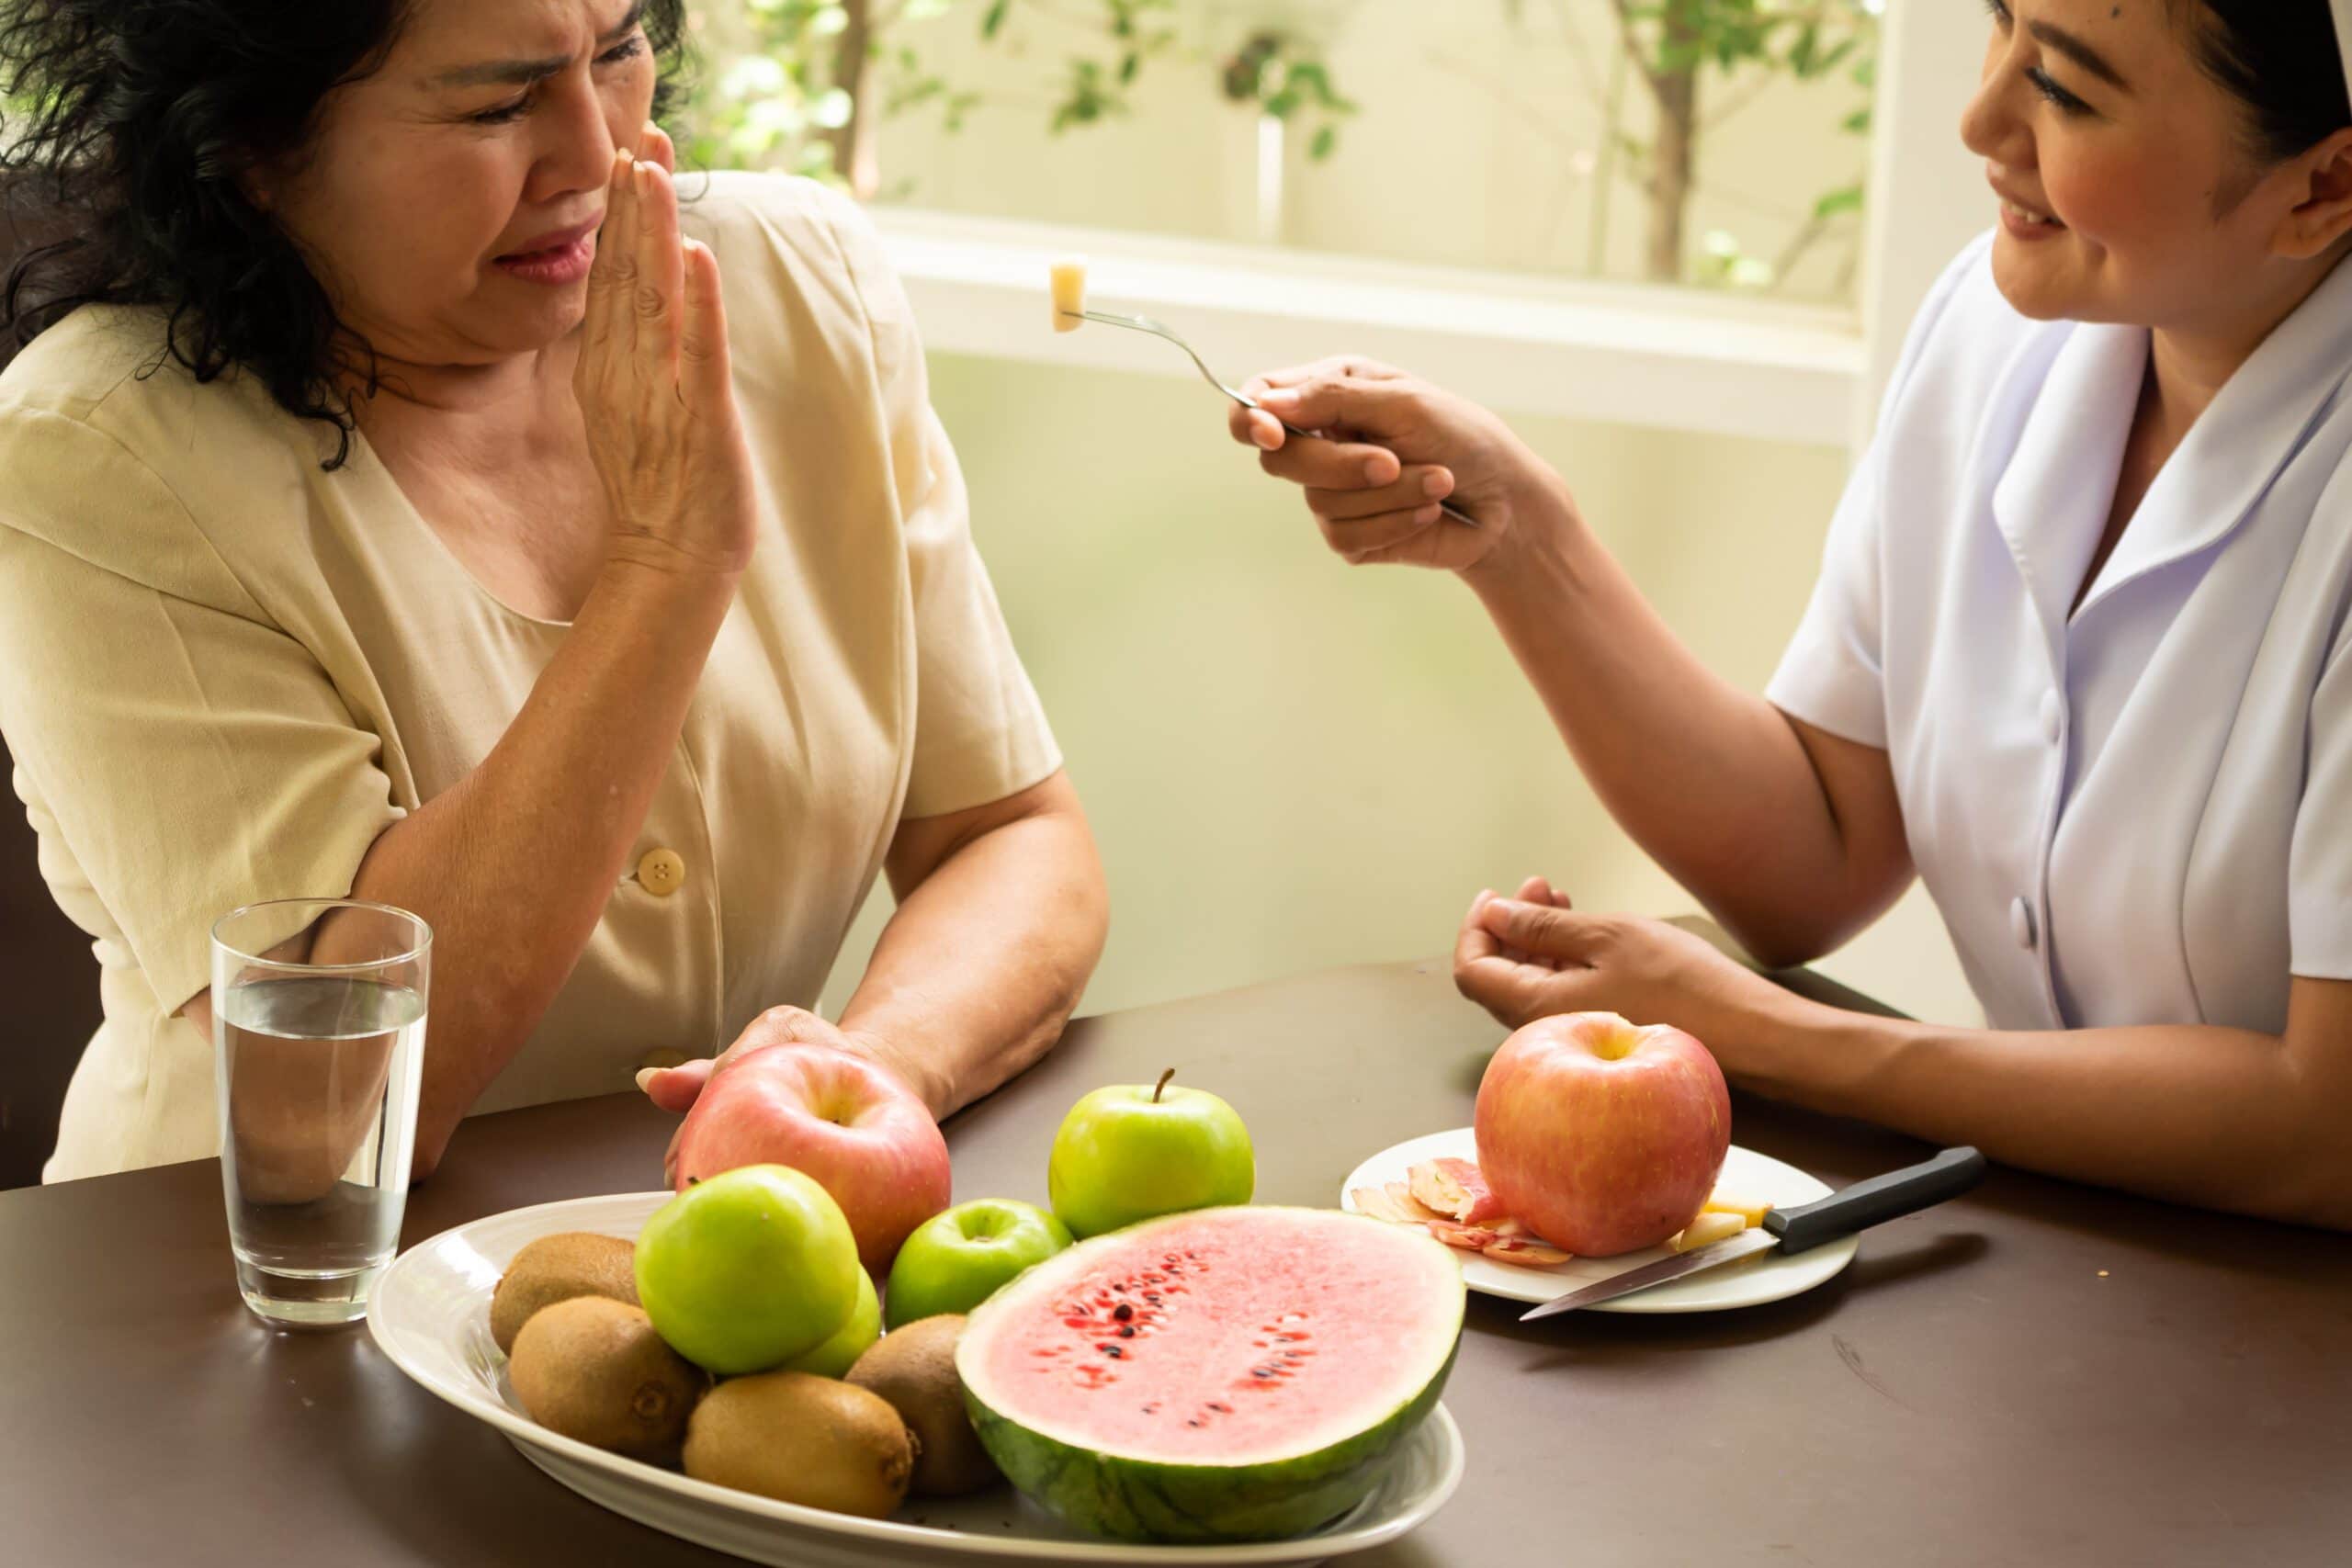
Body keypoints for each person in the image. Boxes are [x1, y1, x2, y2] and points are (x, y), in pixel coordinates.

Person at [1232, 0, 2352, 1229]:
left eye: (2069, 91)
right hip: (2078, 1261)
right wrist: (1518, 536)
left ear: (2324, 183)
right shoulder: (1995, 334)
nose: (1982, 118)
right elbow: (1816, 854)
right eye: (2000, 25)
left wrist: (1768, 1036)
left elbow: (2324, 1128)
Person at [0, 0, 1108, 1183]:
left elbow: (1009, 835)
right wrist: (664, 567)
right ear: (252, 149)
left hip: (716, 1281)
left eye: (620, 52)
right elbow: (342, 1097)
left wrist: (867, 1079)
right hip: (237, 1304)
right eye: (497, 104)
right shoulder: (94, 456)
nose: (596, 155)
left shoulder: (800, 281)